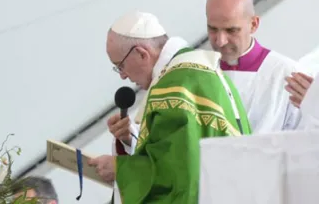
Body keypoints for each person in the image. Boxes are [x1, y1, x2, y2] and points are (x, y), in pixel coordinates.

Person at [89, 11, 250, 203]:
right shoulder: (199, 71)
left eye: (120, 66)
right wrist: (131, 138)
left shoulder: (174, 87)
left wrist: (120, 169)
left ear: (142, 53)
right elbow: (185, 152)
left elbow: (178, 177)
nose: (123, 76)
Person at [206, 0, 301, 132]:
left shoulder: (288, 74)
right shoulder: (198, 70)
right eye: (212, 29)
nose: (220, 41)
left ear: (253, 24)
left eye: (231, 30)